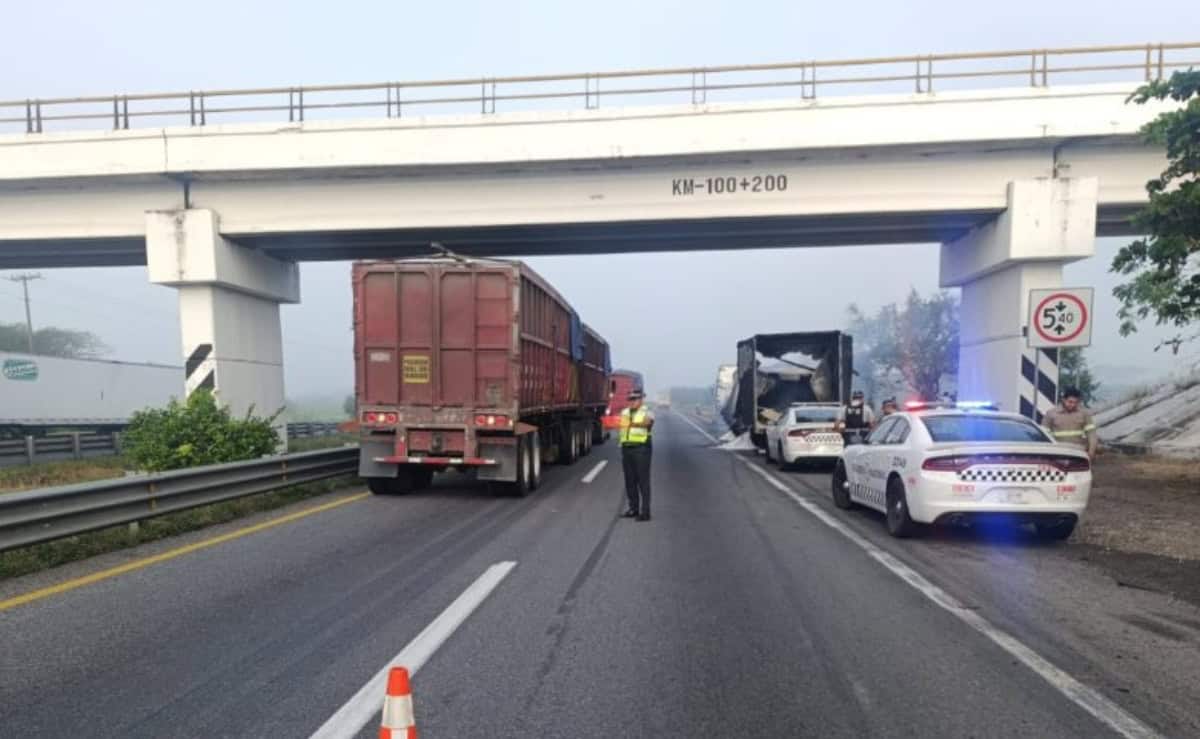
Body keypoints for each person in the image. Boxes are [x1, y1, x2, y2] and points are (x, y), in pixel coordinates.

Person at [619, 390, 655, 521]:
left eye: (635, 399)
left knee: (643, 481)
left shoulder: (647, 411)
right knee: (630, 481)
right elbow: (620, 425)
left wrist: (631, 424)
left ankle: (645, 513)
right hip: (626, 449)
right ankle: (633, 509)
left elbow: (648, 423)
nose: (632, 401)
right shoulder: (625, 412)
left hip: (642, 449)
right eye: (630, 399)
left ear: (641, 400)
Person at [1043, 387, 1098, 458]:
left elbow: (1092, 434)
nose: (1073, 405)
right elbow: (1044, 435)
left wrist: (1091, 452)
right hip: (1057, 452)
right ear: (1063, 400)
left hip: (1079, 452)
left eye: (1076, 402)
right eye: (1070, 402)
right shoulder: (1051, 414)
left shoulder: (1084, 414)